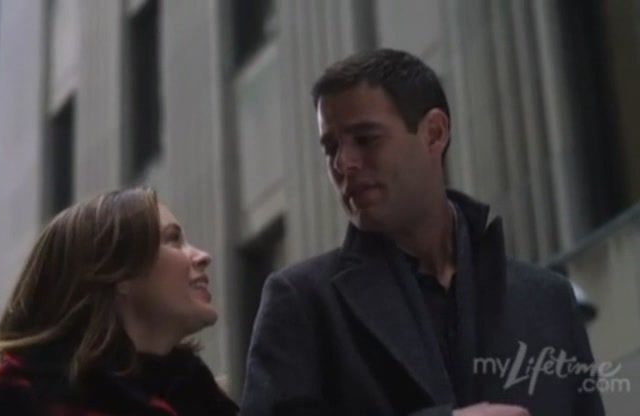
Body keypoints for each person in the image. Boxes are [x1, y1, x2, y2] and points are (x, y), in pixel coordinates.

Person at [241, 49, 605, 416]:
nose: (344, 163)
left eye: (365, 139)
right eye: (331, 147)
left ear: (434, 134)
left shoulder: (549, 301)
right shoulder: (303, 301)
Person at [0, 187, 238, 416]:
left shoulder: (201, 397)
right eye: (173, 240)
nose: (203, 256)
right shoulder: (27, 394)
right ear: (119, 273)